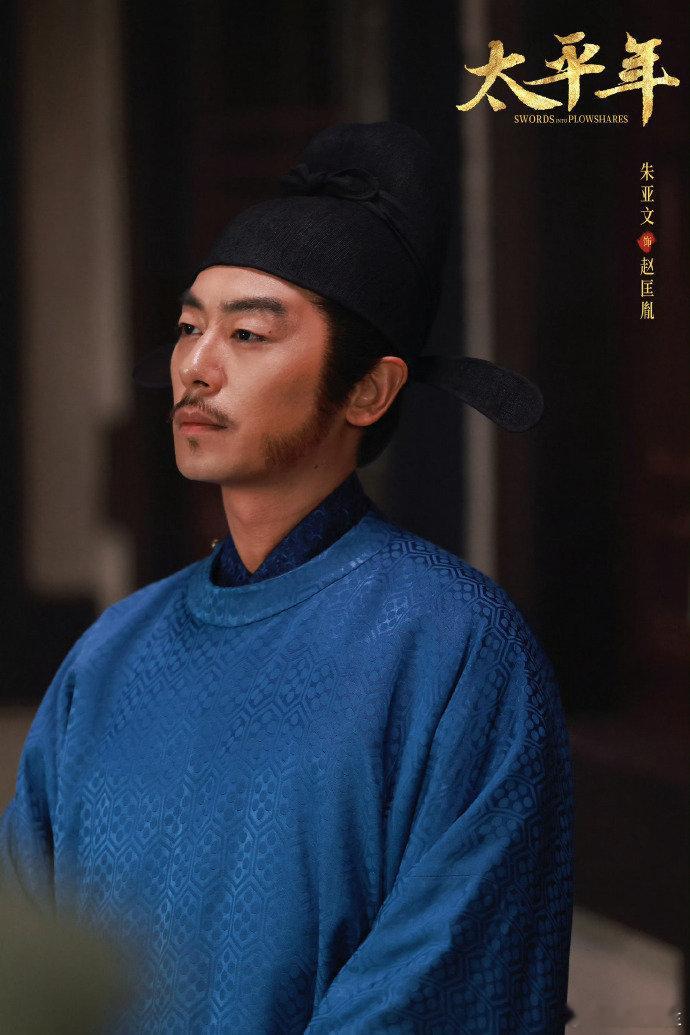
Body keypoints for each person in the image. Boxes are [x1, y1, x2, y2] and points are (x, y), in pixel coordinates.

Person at [0, 122, 573, 1033]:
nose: (196, 366)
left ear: (369, 390)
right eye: (189, 327)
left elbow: (443, 986)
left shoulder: (458, 648)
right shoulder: (111, 652)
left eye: (248, 333)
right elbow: (27, 960)